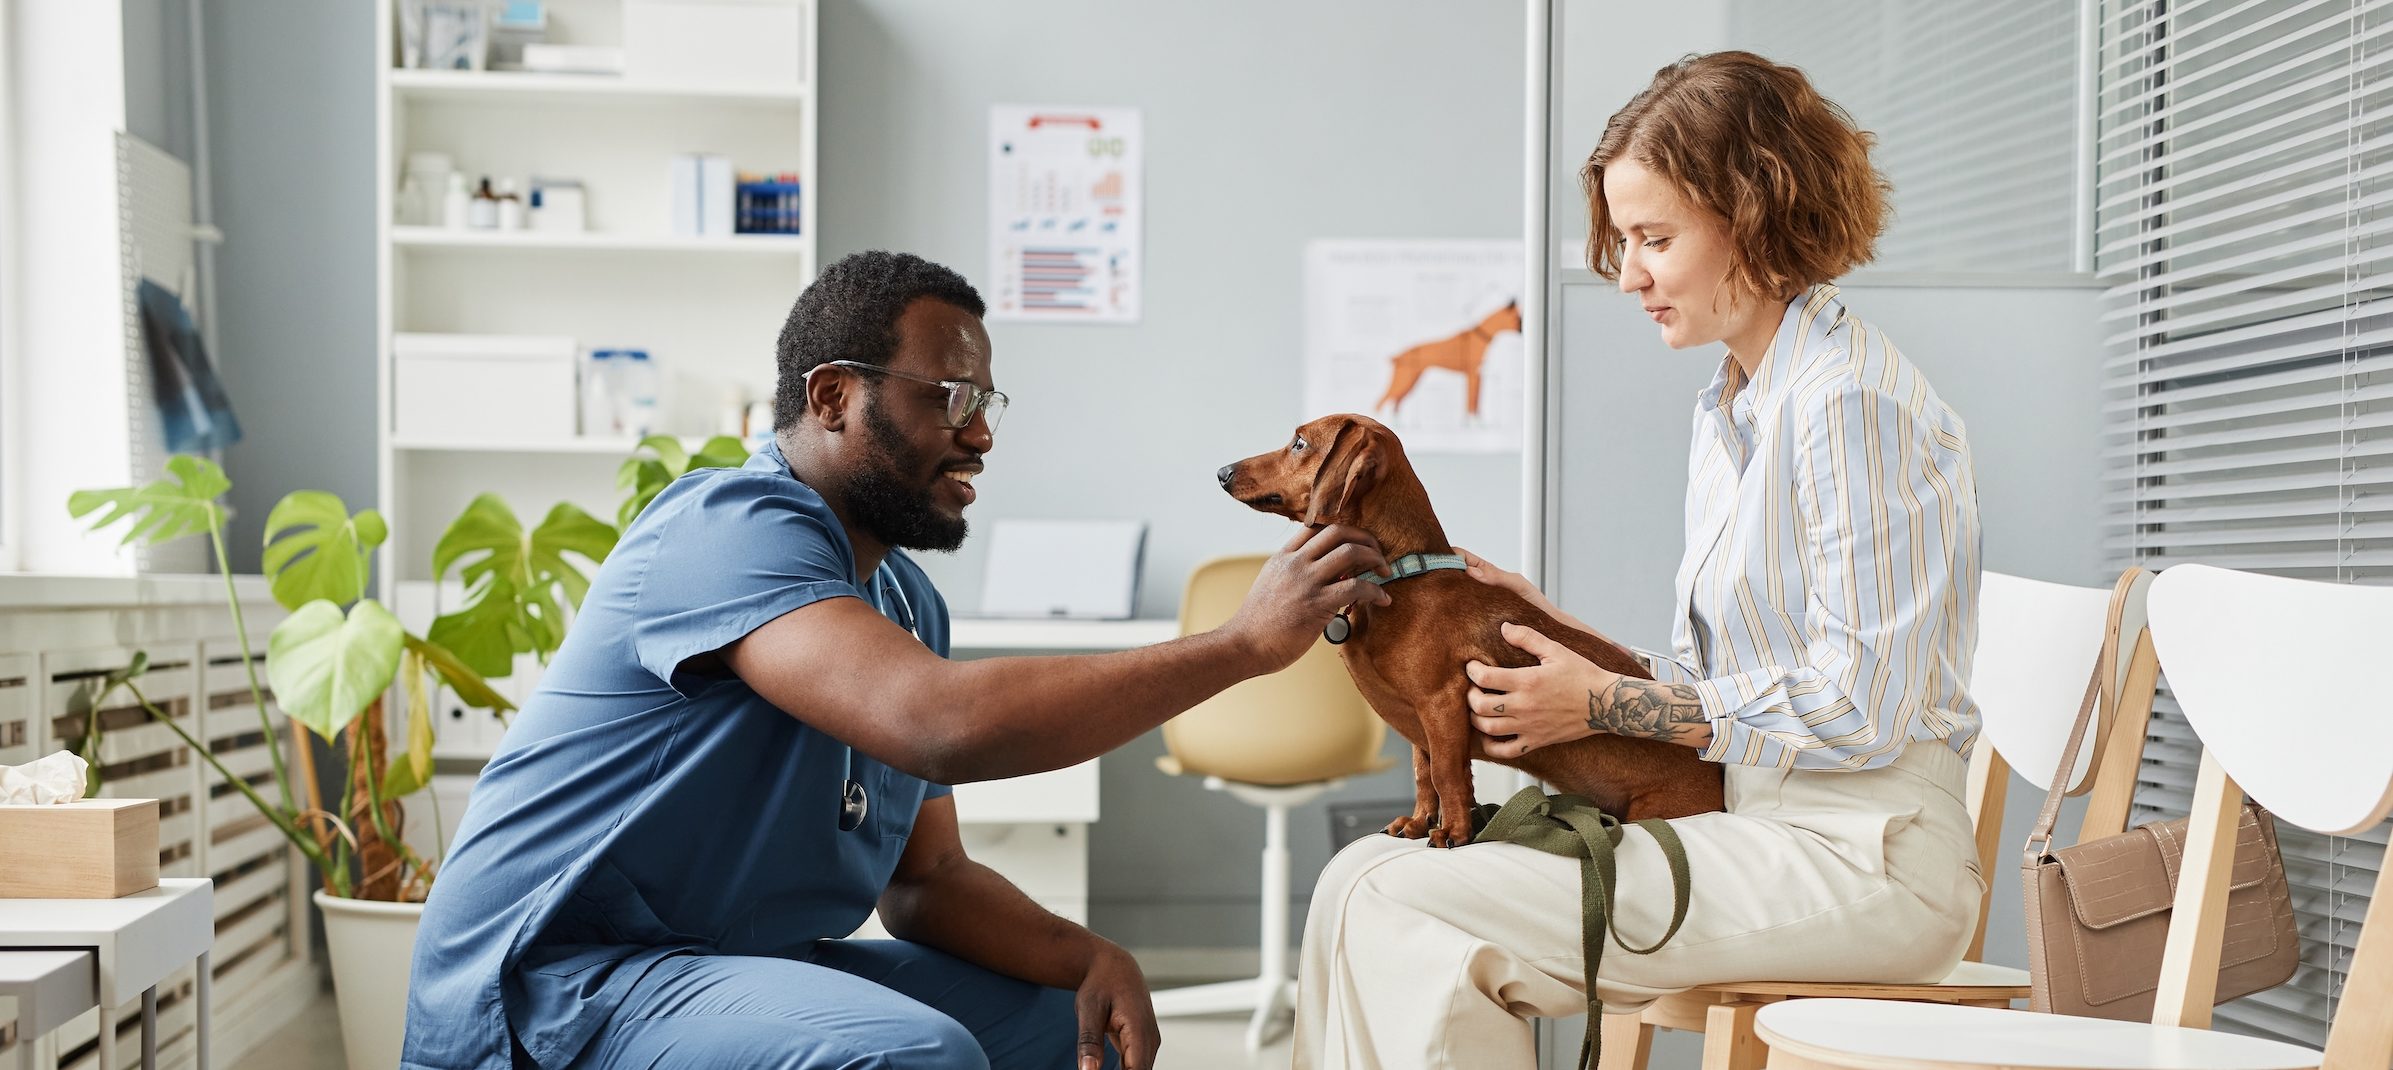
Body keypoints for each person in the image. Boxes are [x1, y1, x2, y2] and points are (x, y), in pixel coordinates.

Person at [400, 250, 1392, 1070]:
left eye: (987, 396)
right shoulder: (727, 527)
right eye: (951, 395)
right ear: (831, 396)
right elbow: (938, 724)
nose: (981, 432)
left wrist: (1084, 953)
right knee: (909, 1053)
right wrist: (1240, 643)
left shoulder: (904, 599)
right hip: (565, 985)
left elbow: (927, 881)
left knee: (1057, 1019)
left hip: (733, 964)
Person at [1291, 51, 1986, 1069]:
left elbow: (1861, 706)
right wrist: (1568, 643)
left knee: (1407, 904)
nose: (1626, 275)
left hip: (1861, 862)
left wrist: (1602, 702)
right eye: (1622, 241)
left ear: (1752, 213)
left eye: (1653, 238)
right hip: (1756, 823)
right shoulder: (1734, 405)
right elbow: (1736, 688)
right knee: (1356, 878)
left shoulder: (1848, 405)